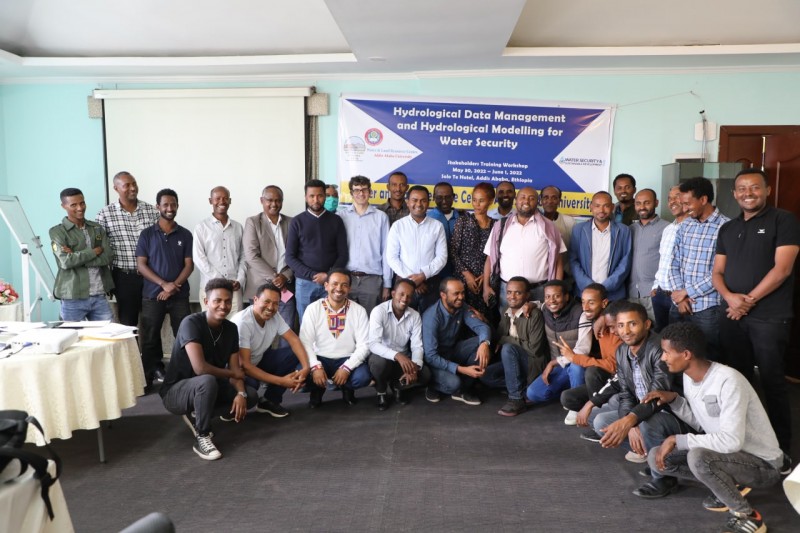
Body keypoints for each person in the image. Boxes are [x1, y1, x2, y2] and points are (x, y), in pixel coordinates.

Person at [642, 322, 784, 533]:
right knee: (656, 457)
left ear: (686, 354)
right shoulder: (689, 377)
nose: (663, 358)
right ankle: (727, 482)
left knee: (698, 457)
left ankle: (749, 517)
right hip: (730, 455)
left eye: (666, 352)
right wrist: (675, 401)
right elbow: (703, 423)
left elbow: (731, 440)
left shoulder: (728, 381)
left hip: (763, 464)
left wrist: (677, 439)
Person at [713, 168, 800, 457]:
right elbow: (717, 272)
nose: (748, 193)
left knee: (772, 382)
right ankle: (744, 441)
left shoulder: (783, 221)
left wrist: (746, 301)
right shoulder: (728, 228)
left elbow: (782, 269)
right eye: (742, 188)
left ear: (767, 190)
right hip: (732, 317)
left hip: (769, 318)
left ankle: (779, 450)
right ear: (734, 193)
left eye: (754, 188)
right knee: (737, 382)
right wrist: (729, 297)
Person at [160, 278, 257, 461]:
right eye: (217, 301)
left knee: (251, 396)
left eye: (227, 301)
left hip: (207, 385)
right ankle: (202, 436)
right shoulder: (191, 323)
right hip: (175, 392)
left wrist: (241, 394)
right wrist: (233, 374)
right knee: (207, 380)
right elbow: (200, 368)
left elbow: (235, 369)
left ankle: (198, 412)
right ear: (206, 302)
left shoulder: (231, 329)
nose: (223, 305)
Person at [592, 302, 684, 466]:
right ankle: (650, 452)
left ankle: (664, 472)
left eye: (632, 324)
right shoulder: (622, 350)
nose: (625, 331)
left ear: (647, 324)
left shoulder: (658, 349)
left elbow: (657, 396)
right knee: (601, 422)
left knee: (647, 424)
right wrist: (632, 425)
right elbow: (626, 393)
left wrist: (630, 421)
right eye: (620, 325)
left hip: (668, 412)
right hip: (641, 411)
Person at [136, 188, 194, 386]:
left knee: (185, 334)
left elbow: (189, 265)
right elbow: (141, 265)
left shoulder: (185, 234)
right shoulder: (147, 234)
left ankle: (184, 372)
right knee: (150, 336)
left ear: (177, 206)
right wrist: (163, 284)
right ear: (157, 207)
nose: (170, 208)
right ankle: (151, 373)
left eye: (173, 204)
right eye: (166, 205)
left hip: (179, 295)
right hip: (152, 295)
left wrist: (173, 286)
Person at [668, 177, 730, 361]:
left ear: (703, 199)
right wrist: (680, 296)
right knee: (675, 355)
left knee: (708, 357)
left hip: (707, 308)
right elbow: (673, 261)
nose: (684, 209)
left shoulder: (726, 227)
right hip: (678, 303)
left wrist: (687, 292)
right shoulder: (685, 225)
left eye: (688, 203)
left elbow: (720, 272)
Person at [231, 282, 310, 417]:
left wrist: (306, 368)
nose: (271, 307)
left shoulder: (275, 316)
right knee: (251, 392)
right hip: (237, 370)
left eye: (275, 303)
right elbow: (245, 365)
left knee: (293, 354)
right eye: (266, 302)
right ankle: (227, 407)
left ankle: (269, 401)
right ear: (255, 300)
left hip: (259, 359)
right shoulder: (243, 322)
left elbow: (294, 340)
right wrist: (282, 381)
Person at [482, 186, 565, 309]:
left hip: (539, 290)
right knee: (507, 327)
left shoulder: (549, 227)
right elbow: (490, 258)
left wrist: (556, 288)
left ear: (537, 202)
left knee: (537, 326)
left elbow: (558, 260)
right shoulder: (500, 226)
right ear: (516, 200)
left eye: (531, 198)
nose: (526, 201)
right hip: (508, 291)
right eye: (523, 197)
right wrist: (486, 287)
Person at [299, 269, 371, 408]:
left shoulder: (358, 311)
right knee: (300, 374)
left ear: (349, 288)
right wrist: (315, 367)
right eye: (335, 284)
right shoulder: (313, 308)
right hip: (321, 358)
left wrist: (347, 367)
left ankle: (347, 389)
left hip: (346, 357)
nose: (339, 288)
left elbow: (364, 345)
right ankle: (317, 390)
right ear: (326, 285)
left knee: (362, 377)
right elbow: (305, 342)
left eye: (344, 285)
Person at [96, 171, 159, 327]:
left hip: (151, 277)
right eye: (127, 185)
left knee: (152, 322)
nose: (132, 188)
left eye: (134, 183)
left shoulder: (151, 211)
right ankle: (131, 352)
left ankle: (150, 353)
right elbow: (99, 248)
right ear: (116, 188)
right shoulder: (105, 214)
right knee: (127, 323)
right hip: (124, 278)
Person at [480, 277, 547, 417]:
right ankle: (523, 389)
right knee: (485, 375)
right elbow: (499, 336)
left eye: (518, 293)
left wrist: (506, 339)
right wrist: (484, 321)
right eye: (509, 292)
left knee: (508, 349)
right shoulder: (506, 311)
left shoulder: (535, 315)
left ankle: (516, 399)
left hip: (532, 362)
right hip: (513, 362)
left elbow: (535, 349)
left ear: (527, 295)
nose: (512, 296)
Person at [285, 179, 348, 320]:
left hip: (331, 283)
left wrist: (328, 275)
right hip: (304, 284)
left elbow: (343, 254)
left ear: (324, 196)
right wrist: (313, 275)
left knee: (331, 323)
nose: (316, 200)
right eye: (312, 196)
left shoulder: (336, 221)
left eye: (320, 196)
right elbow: (290, 257)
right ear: (306, 198)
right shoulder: (297, 221)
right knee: (306, 324)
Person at [422, 278, 491, 406]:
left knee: (482, 343)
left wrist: (485, 343)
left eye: (463, 293)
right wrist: (462, 369)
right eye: (456, 294)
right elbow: (430, 357)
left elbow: (482, 327)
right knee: (454, 383)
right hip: (435, 361)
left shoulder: (461, 306)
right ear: (443, 295)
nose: (461, 297)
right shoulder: (431, 317)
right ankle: (433, 385)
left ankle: (463, 389)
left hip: (452, 351)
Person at [50, 188, 114, 321]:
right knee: (71, 339)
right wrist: (93, 252)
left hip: (99, 295)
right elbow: (66, 262)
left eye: (82, 203)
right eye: (73, 205)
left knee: (107, 338)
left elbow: (108, 257)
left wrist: (75, 256)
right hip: (72, 297)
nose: (80, 208)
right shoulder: (57, 232)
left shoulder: (96, 228)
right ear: (64, 206)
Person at [525, 281, 593, 406]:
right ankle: (567, 394)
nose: (552, 300)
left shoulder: (581, 314)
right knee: (532, 394)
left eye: (557, 296)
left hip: (578, 366)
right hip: (560, 369)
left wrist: (554, 362)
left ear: (566, 297)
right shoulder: (546, 308)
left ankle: (577, 405)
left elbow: (584, 349)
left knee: (575, 366)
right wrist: (530, 304)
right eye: (548, 296)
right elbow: (540, 304)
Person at [367, 278, 430, 411]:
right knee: (379, 364)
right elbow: (373, 344)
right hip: (383, 357)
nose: (405, 299)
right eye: (401, 294)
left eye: (409, 296)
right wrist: (397, 355)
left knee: (424, 374)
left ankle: (398, 386)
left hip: (403, 359)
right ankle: (381, 391)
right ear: (393, 293)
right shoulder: (379, 311)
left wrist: (415, 367)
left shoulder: (415, 316)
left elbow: (417, 346)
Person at [385, 185, 447, 313]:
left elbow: (442, 257)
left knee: (428, 323)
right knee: (403, 322)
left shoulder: (437, 226)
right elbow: (392, 258)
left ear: (428, 203)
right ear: (407, 202)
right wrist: (413, 281)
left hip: (430, 284)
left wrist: (423, 275)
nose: (418, 204)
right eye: (414, 200)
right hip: (404, 284)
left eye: (423, 200)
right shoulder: (398, 226)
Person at [242, 185, 296, 332]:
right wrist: (274, 278)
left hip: (286, 287)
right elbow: (251, 255)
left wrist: (285, 276)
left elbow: (298, 255)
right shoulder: (253, 222)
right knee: (257, 330)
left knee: (287, 329)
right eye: (270, 200)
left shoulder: (292, 223)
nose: (274, 204)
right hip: (260, 286)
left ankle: (286, 356)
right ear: (262, 200)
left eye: (278, 200)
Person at [561, 301, 623, 427]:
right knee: (567, 398)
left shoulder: (623, 333)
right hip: (608, 379)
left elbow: (613, 366)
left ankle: (597, 418)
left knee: (592, 372)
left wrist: (574, 357)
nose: (585, 307)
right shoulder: (601, 326)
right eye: (583, 302)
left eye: (592, 302)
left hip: (618, 381)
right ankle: (595, 413)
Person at [339, 176, 392, 317]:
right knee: (346, 323)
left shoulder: (381, 217)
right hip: (346, 279)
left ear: (370, 192)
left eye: (364, 190)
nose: (361, 193)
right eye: (356, 190)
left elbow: (386, 251)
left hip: (372, 281)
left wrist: (387, 284)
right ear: (351, 193)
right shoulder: (341, 216)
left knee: (370, 324)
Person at [192, 186, 245, 315]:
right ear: (210, 201)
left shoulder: (238, 227)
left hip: (234, 290)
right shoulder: (201, 227)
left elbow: (244, 257)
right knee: (211, 330)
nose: (222, 201)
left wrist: (240, 280)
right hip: (210, 289)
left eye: (225, 198)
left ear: (230, 201)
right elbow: (199, 258)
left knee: (236, 328)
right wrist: (221, 280)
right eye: (217, 198)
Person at [570, 191, 632, 301]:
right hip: (584, 294)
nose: (601, 210)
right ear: (591, 207)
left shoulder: (623, 230)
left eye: (606, 206)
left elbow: (625, 261)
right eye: (597, 206)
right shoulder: (578, 229)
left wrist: (605, 287)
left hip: (613, 295)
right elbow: (573, 260)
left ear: (612, 207)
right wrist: (588, 286)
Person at [450, 182, 496, 316]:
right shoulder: (463, 221)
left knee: (484, 317)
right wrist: (467, 275)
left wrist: (486, 276)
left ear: (491, 201)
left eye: (481, 201)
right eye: (474, 200)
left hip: (485, 281)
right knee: (462, 315)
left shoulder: (496, 225)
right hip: (463, 279)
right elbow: (453, 251)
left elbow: (495, 255)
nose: (476, 204)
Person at [627, 189, 668, 326]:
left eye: (647, 202)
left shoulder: (667, 228)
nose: (642, 207)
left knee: (656, 332)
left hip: (654, 294)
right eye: (638, 203)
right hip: (631, 293)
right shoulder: (630, 229)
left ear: (656, 203)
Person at [650, 186, 688, 332]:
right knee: (662, 339)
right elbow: (663, 262)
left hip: (680, 298)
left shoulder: (694, 229)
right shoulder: (668, 229)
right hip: (660, 295)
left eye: (677, 197)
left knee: (678, 342)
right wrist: (655, 287)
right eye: (669, 198)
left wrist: (684, 295)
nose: (672, 202)